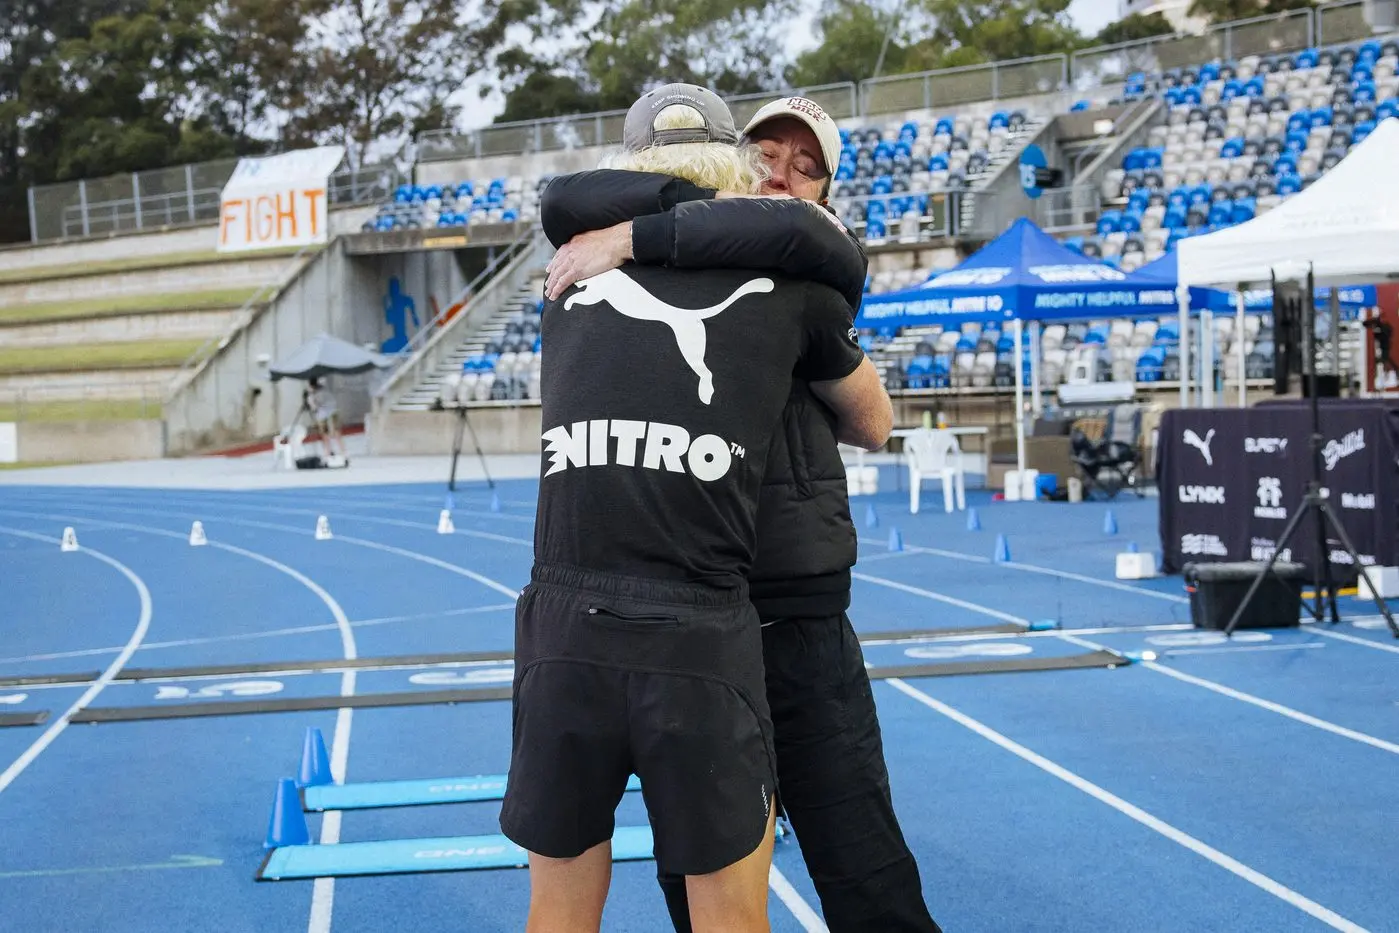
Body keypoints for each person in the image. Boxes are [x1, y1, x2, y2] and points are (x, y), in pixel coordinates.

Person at [538, 96, 943, 933]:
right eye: (768, 152)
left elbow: (874, 422)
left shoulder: (805, 275)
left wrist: (773, 343)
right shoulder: (653, 258)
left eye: (807, 165)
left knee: (858, 855)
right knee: (696, 874)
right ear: (729, 159)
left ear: (827, 190)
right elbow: (564, 201)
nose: (782, 174)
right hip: (686, 619)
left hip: (791, 611)